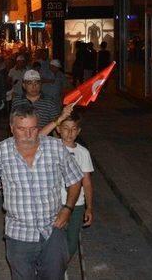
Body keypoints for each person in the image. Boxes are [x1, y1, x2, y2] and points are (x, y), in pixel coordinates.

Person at [0, 105, 83, 279]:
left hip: (53, 230)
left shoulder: (55, 148)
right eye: (21, 129)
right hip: (19, 233)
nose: (28, 134)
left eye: (33, 129)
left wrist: (68, 208)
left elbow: (75, 179)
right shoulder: (1, 152)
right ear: (11, 128)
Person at [55, 111, 94, 260]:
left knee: (72, 241)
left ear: (78, 131)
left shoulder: (83, 153)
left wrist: (89, 207)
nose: (69, 132)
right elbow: (37, 137)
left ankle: (61, 264)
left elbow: (87, 182)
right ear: (58, 129)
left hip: (77, 204)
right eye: (65, 128)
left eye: (73, 129)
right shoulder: (52, 146)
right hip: (55, 202)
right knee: (54, 238)